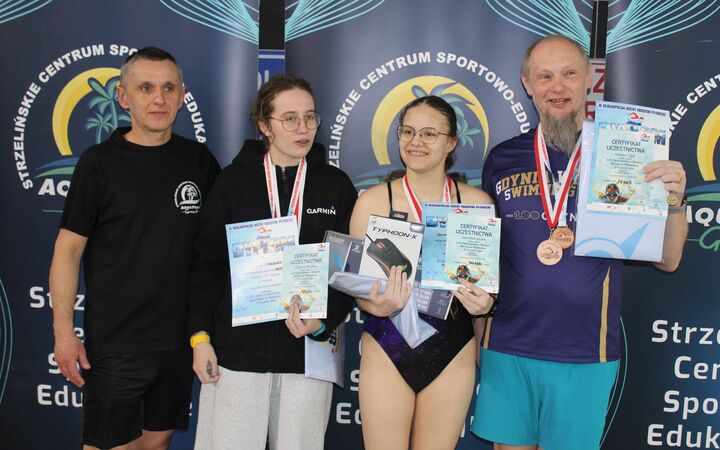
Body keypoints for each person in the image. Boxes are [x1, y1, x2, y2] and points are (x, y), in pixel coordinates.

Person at [471, 35, 687, 450]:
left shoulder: (624, 156)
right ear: (526, 83)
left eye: (569, 73)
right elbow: (486, 259)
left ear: (590, 78)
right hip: (507, 346)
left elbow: (669, 259)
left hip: (585, 350)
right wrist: (481, 336)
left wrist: (675, 199)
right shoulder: (502, 159)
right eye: (545, 76)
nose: (558, 86)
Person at [49, 47, 220, 450]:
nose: (158, 98)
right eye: (146, 88)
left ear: (182, 96)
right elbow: (67, 251)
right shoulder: (99, 163)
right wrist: (63, 333)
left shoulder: (198, 160)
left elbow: (224, 240)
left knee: (155, 445)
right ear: (124, 97)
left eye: (168, 88)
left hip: (178, 343)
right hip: (117, 343)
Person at [188, 74, 357, 450]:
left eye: (310, 117)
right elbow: (207, 266)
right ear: (265, 125)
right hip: (238, 353)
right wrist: (200, 338)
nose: (303, 128)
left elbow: (347, 269)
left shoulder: (335, 185)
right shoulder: (233, 183)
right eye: (290, 118)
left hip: (308, 352)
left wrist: (323, 322)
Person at [349, 95, 496, 450]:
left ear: (451, 142)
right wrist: (374, 304)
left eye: (430, 134)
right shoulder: (372, 202)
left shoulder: (477, 204)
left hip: (453, 348)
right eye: (408, 132)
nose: (416, 142)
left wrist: (485, 304)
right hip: (387, 345)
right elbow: (357, 287)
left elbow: (487, 287)